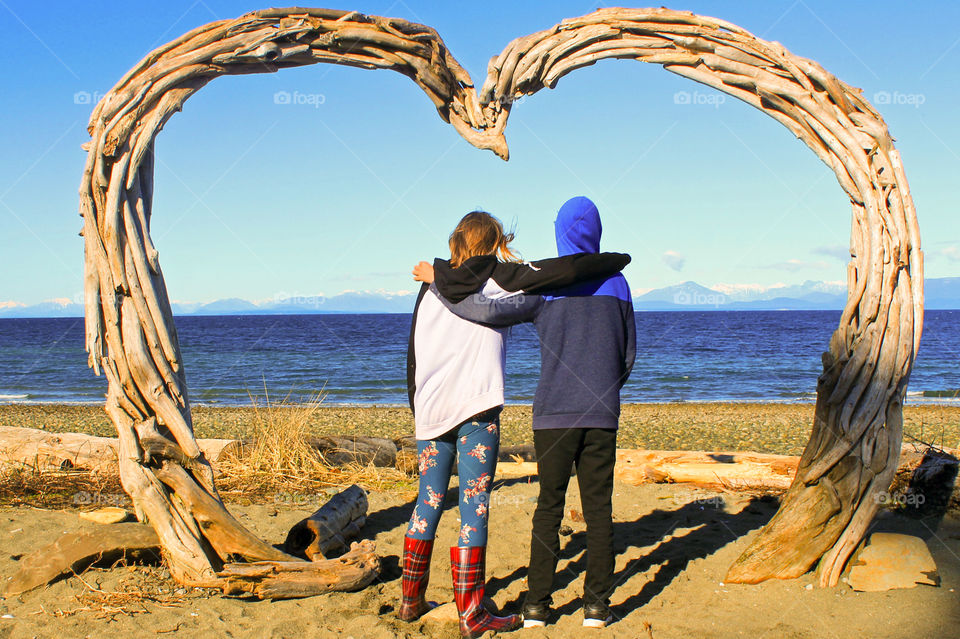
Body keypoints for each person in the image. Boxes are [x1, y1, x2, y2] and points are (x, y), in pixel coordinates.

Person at [400, 210, 630, 639]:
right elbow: (568, 268)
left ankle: (410, 599)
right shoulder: (500, 281)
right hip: (477, 411)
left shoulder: (429, 290)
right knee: (474, 505)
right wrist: (612, 260)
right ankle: (471, 611)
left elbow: (414, 353)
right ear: (492, 245)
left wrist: (417, 406)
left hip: (431, 413)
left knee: (426, 503)